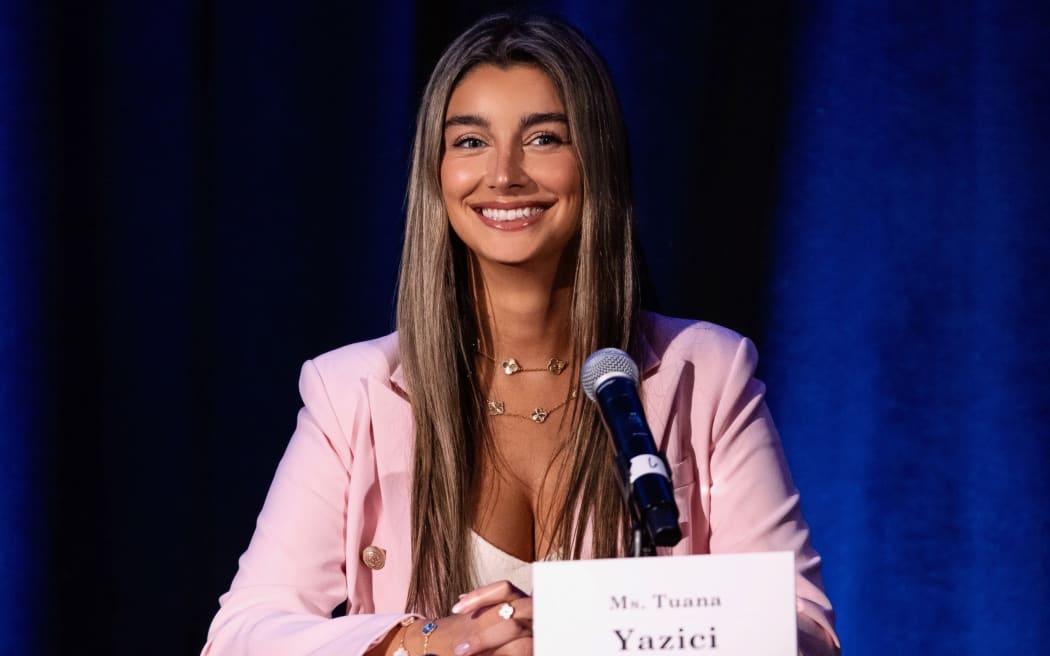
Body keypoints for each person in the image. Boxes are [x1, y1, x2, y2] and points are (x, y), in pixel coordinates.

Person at [202, 12, 840, 656]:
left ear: (596, 161)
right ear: (436, 173)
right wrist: (425, 641)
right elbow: (241, 636)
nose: (504, 174)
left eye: (543, 138)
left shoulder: (705, 372)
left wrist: (581, 631)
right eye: (470, 141)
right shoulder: (353, 392)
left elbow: (806, 634)